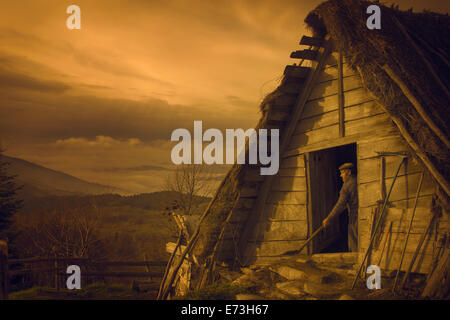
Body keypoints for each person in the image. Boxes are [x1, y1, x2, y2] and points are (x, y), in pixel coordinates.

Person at [322, 163, 358, 252]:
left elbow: (340, 204)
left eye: (342, 173)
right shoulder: (357, 180)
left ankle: (355, 261)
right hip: (362, 214)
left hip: (355, 216)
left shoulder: (346, 187)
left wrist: (329, 219)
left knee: (354, 240)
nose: (340, 175)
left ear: (348, 173)